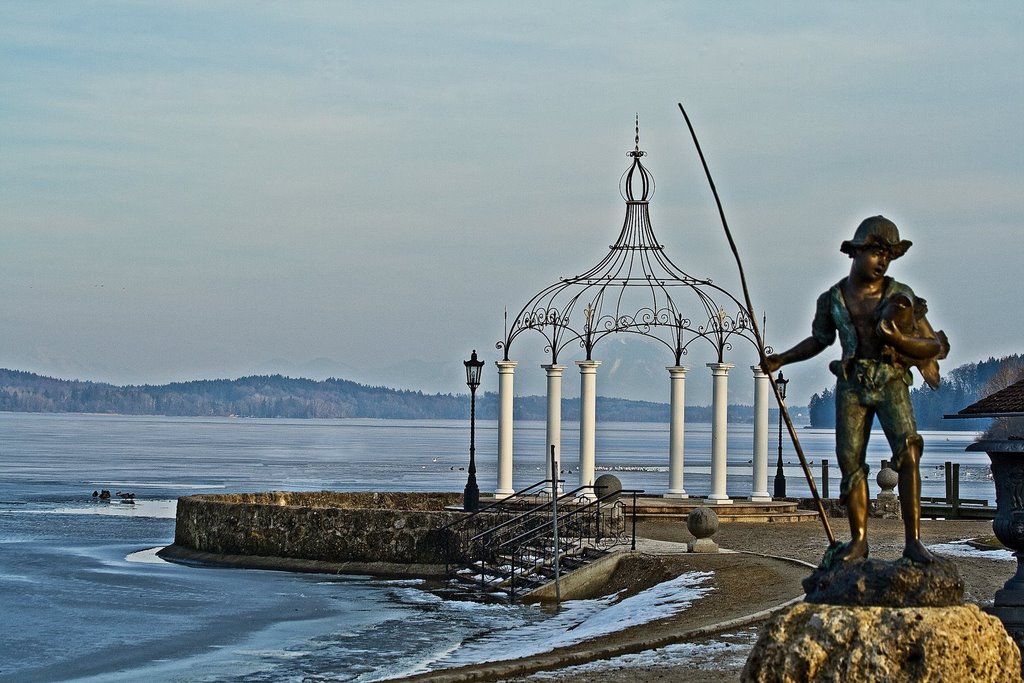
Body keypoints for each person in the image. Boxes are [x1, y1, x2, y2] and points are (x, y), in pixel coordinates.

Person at [764, 216, 948, 565]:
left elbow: (933, 345)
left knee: (908, 455)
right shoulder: (833, 299)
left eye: (889, 256)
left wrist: (897, 338)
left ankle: (914, 542)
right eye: (877, 252)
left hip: (891, 381)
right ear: (856, 251)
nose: (883, 261)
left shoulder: (901, 296)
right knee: (850, 461)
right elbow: (820, 340)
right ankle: (859, 541)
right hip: (851, 383)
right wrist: (782, 359)